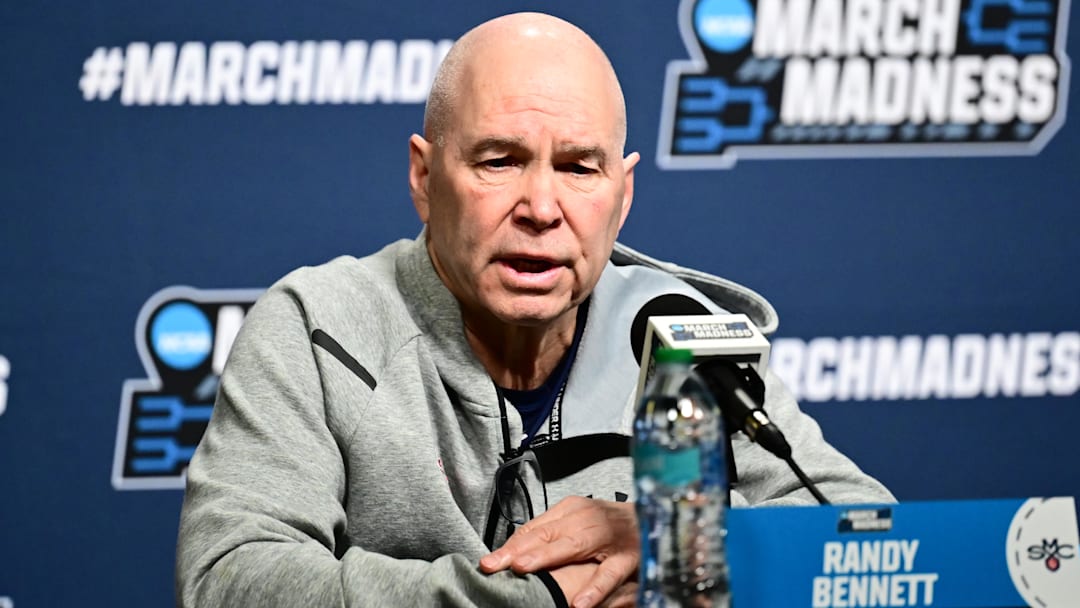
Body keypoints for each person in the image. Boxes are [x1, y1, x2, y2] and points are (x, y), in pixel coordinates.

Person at [175, 11, 895, 608]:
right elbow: (231, 580)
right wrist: (542, 599)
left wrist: (666, 538)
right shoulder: (319, 329)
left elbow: (863, 542)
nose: (542, 208)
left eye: (580, 167)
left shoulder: (679, 330)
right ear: (425, 177)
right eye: (499, 160)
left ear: (623, 195)